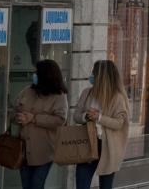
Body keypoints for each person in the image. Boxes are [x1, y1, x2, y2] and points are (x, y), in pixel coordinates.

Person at [73, 60, 130, 189]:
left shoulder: (117, 97)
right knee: (81, 182)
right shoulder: (87, 93)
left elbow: (119, 123)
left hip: (108, 146)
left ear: (101, 76)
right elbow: (76, 115)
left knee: (106, 185)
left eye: (94, 73)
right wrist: (86, 116)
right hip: (88, 143)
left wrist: (99, 117)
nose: (91, 75)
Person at [12, 59, 69, 189]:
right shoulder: (27, 91)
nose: (34, 75)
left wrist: (34, 118)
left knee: (36, 185)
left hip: (44, 151)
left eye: (37, 72)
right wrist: (18, 117)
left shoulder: (59, 96)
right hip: (24, 149)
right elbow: (13, 110)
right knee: (26, 185)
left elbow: (60, 119)